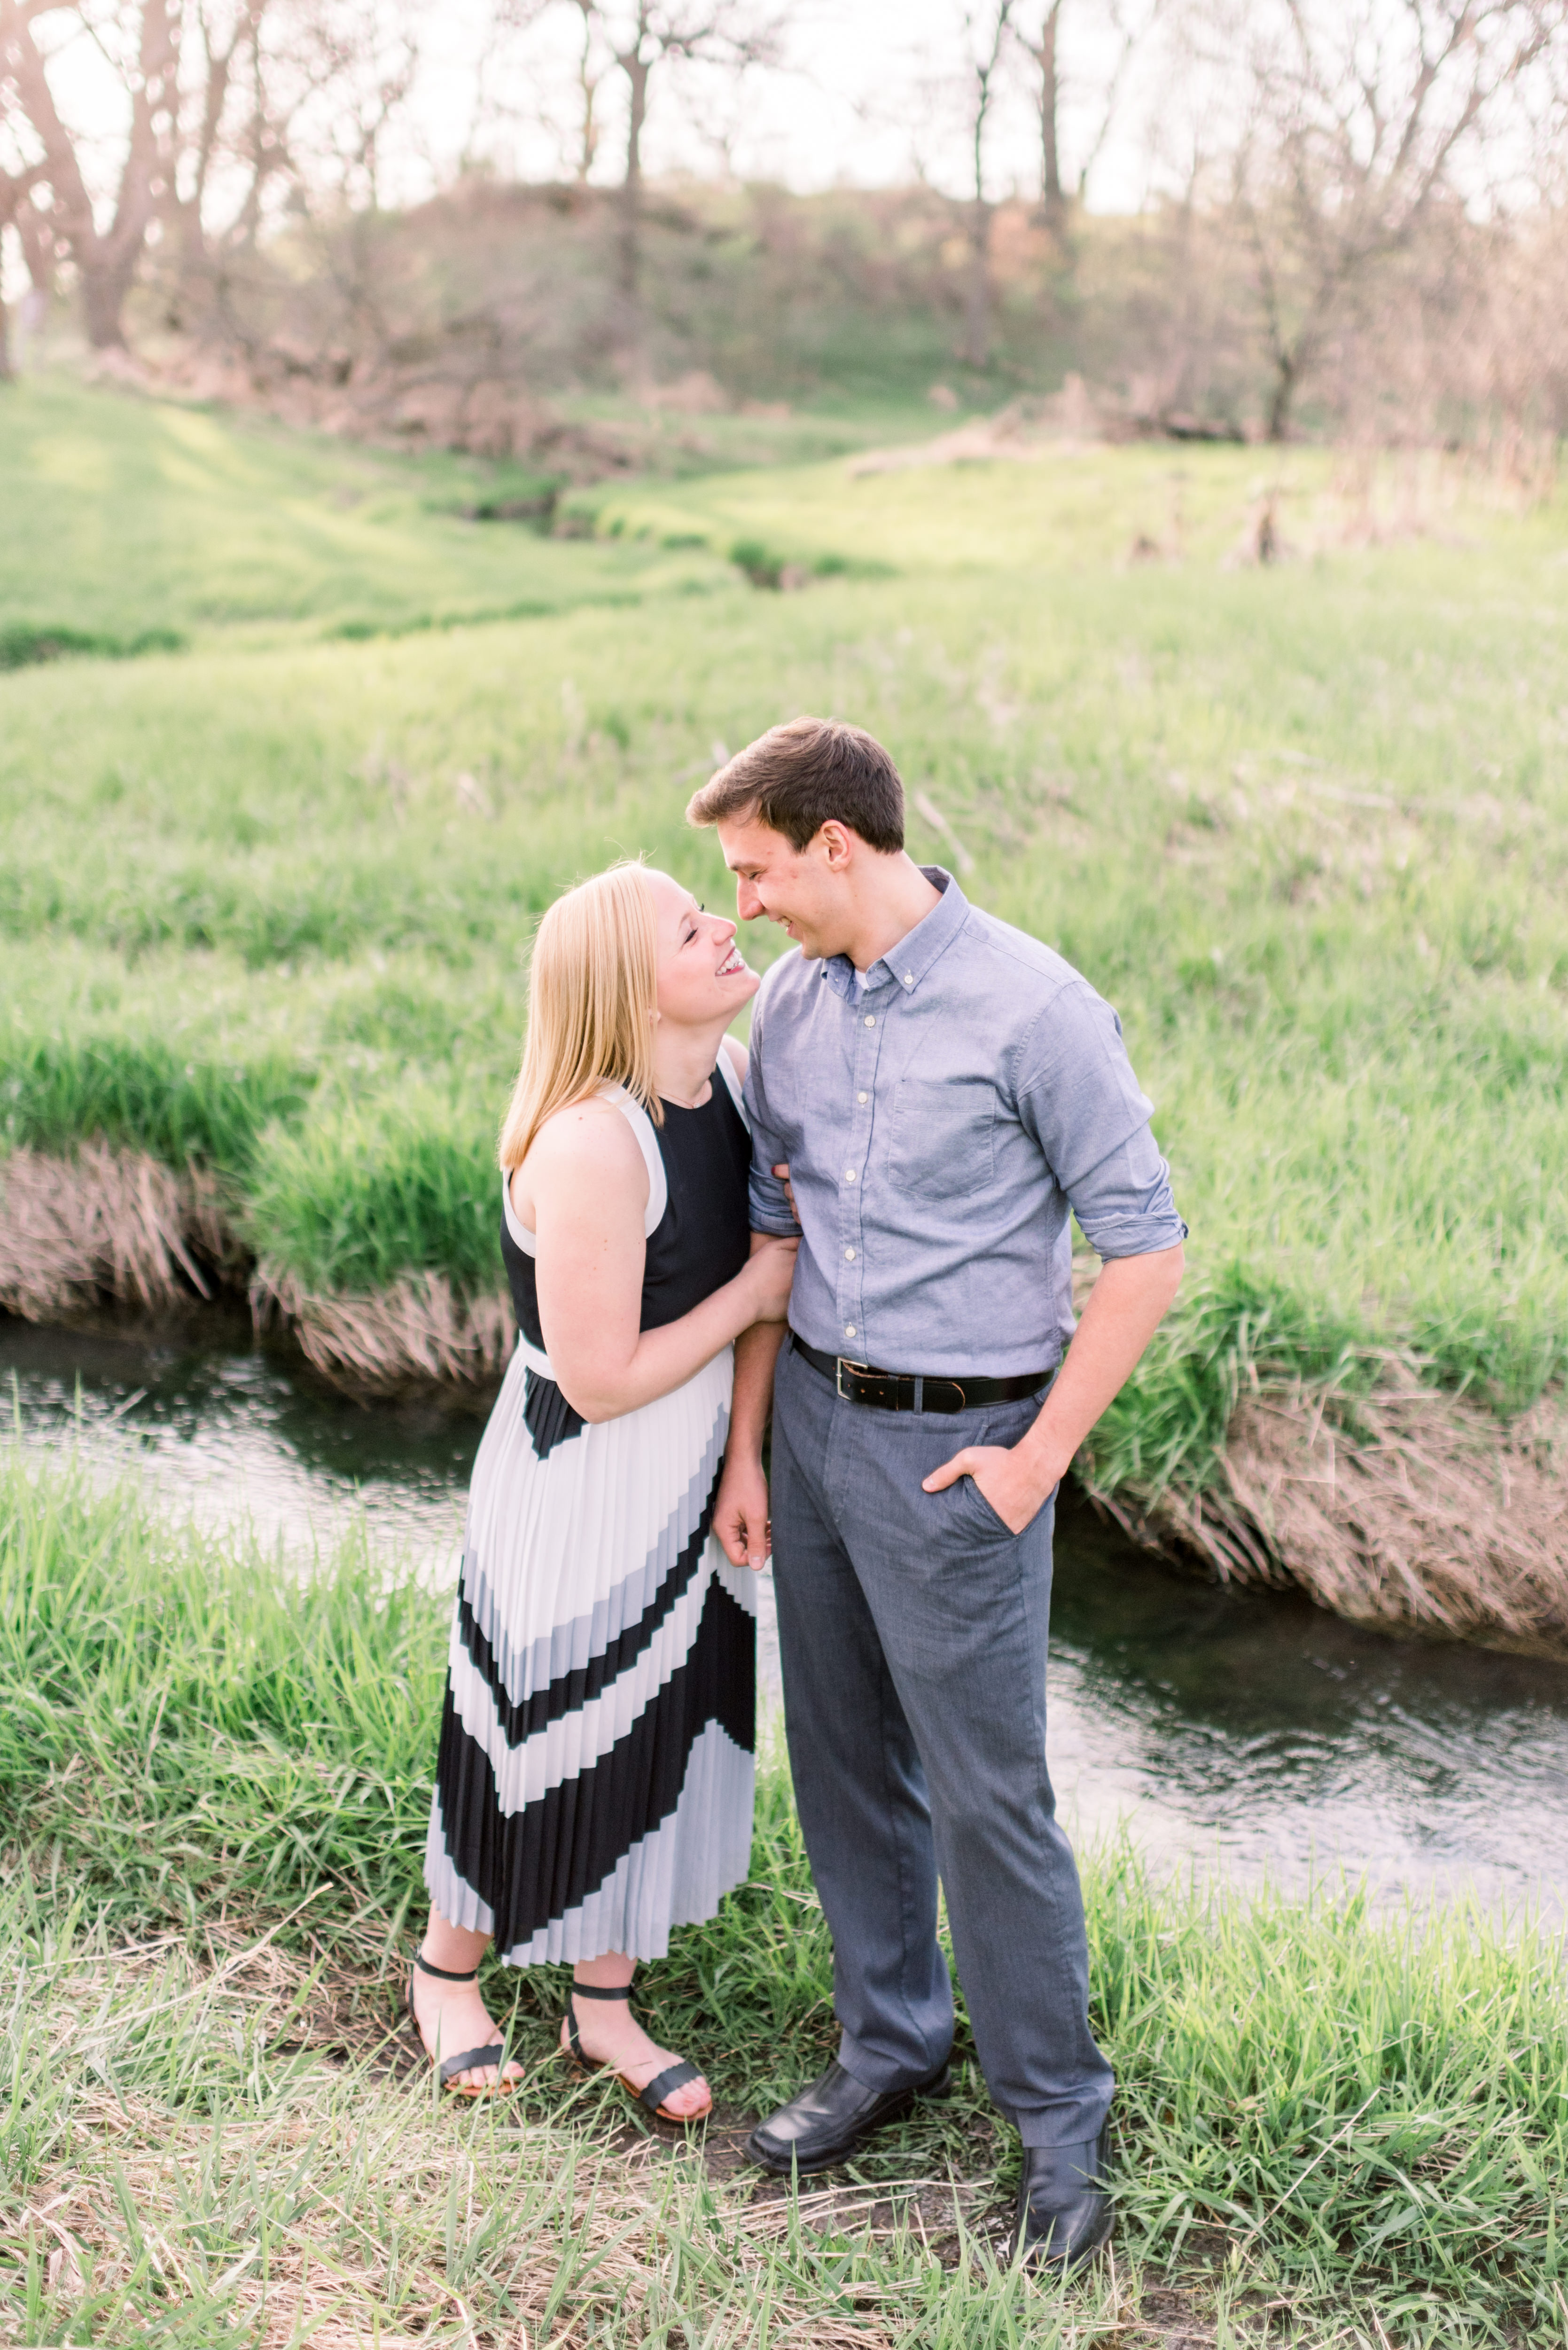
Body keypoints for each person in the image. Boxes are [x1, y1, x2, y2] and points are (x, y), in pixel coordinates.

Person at [689, 719, 1186, 2268]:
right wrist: (750, 1449)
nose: (747, 903)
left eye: (757, 870)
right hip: (820, 1441)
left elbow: (1145, 1249)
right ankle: (891, 2046)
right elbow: (778, 1239)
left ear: (837, 844)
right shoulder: (786, 1008)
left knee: (990, 1800)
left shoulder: (1033, 1007)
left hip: (963, 1455)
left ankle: (1057, 2130)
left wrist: (1038, 1460)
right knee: (842, 1764)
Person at [412, 861, 798, 2116]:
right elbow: (594, 1379)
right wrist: (753, 1290)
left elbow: (757, 1315)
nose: (724, 924)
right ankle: (446, 1973)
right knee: (530, 1722)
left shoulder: (729, 1083)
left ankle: (601, 2008)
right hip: (578, 1471)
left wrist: (745, 1456)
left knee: (660, 1721)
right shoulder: (588, 1139)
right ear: (631, 990)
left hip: (690, 1463)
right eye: (690, 929)